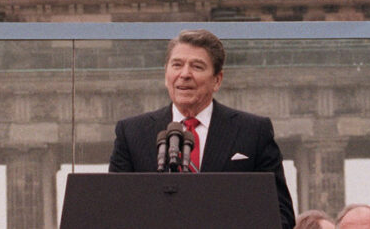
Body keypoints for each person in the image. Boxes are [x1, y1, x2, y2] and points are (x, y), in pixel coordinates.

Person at [108, 29, 295, 229]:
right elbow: (112, 210)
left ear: (217, 80)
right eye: (177, 65)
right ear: (166, 74)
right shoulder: (132, 132)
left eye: (197, 66)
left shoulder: (253, 131)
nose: (185, 74)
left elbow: (280, 213)